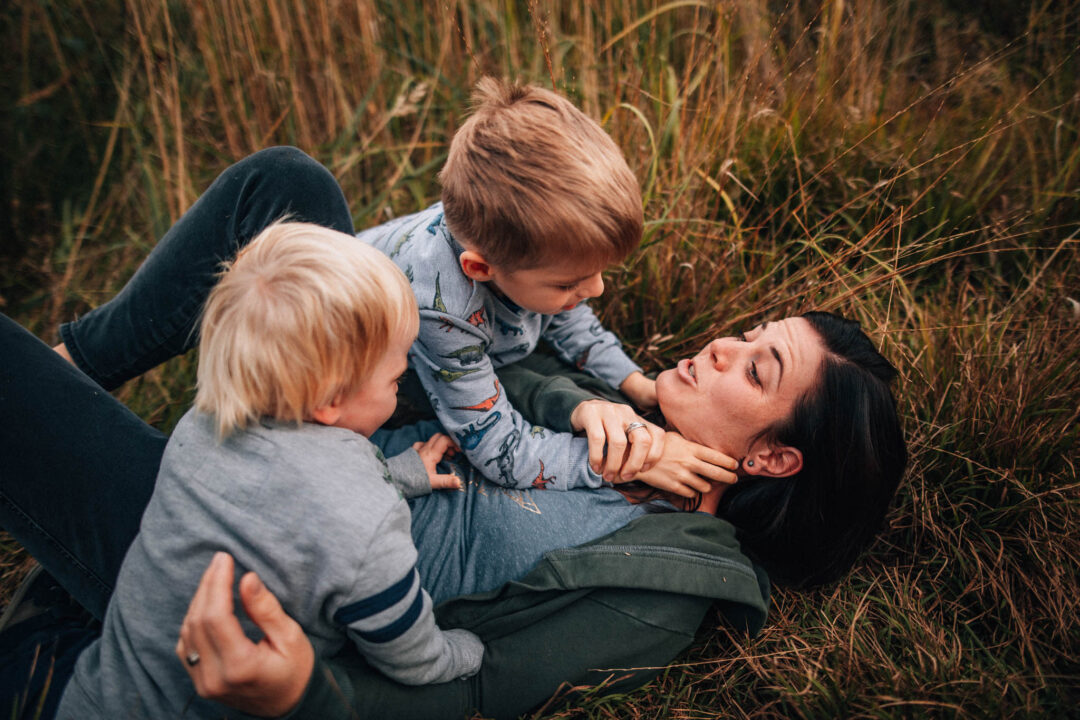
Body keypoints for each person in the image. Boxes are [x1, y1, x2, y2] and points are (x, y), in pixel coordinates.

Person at [0, 147, 906, 719]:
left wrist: (302, 694)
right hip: (306, 431)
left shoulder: (660, 589)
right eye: (750, 333)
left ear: (772, 457)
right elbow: (494, 362)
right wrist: (583, 406)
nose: (723, 346)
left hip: (237, 562)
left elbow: (475, 686)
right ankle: (81, 363)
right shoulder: (632, 409)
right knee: (286, 186)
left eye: (757, 369)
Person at [51, 221, 486, 719]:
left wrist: (400, 474)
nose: (400, 384)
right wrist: (459, 654)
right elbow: (406, 649)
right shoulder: (366, 528)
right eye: (394, 378)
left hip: (95, 691)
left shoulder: (200, 427)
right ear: (329, 399)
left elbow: (289, 490)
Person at [358, 78, 677, 493]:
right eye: (569, 283)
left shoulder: (514, 243)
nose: (597, 290)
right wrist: (624, 465)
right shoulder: (443, 309)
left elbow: (568, 318)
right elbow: (498, 449)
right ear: (480, 268)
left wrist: (633, 382)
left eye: (598, 271)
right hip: (367, 362)